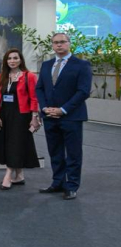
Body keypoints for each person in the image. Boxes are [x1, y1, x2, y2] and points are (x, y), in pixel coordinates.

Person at [36, 32, 91, 200]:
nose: (59, 45)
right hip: (49, 116)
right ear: (52, 45)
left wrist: (63, 109)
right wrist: (44, 108)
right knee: (55, 152)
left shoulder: (81, 65)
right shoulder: (46, 65)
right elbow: (40, 88)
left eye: (62, 42)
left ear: (69, 43)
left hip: (71, 116)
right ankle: (58, 182)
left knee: (73, 154)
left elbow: (83, 91)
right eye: (55, 42)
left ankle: (72, 186)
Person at [0, 49, 41, 190]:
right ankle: (19, 176)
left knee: (15, 145)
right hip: (4, 115)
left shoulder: (29, 76)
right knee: (8, 145)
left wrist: (34, 117)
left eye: (15, 58)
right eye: (9, 58)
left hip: (21, 116)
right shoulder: (2, 76)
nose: (12, 61)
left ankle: (7, 176)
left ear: (20, 60)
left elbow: (34, 98)